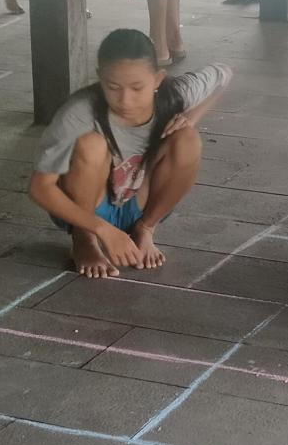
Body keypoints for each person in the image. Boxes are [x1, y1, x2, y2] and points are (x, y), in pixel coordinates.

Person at [29, 28, 231, 279]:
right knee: (92, 144)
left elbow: (224, 75)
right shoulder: (78, 113)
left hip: (141, 202)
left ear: (158, 80)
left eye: (137, 88)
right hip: (86, 209)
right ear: (100, 78)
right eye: (113, 87)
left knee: (187, 138)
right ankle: (84, 239)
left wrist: (190, 118)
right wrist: (99, 228)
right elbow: (40, 188)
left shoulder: (175, 94)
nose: (125, 100)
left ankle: (145, 229)